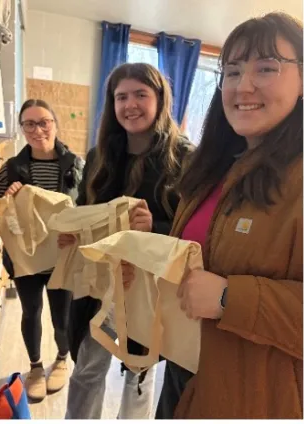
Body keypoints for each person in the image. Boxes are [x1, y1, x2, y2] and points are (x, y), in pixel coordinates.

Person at [155, 12, 303, 419]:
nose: (244, 86)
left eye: (267, 68)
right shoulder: (215, 166)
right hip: (185, 372)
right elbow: (202, 255)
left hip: (254, 395)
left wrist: (228, 297)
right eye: (232, 71)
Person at [60, 62, 194, 419]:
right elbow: (83, 210)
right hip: (99, 286)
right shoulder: (99, 157)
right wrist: (71, 232)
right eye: (121, 97)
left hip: (147, 290)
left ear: (160, 99)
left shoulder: (184, 159)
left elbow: (194, 234)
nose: (130, 104)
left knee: (139, 371)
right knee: (88, 366)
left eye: (140, 94)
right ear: (111, 103)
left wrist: (156, 228)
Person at [0, 99, 84, 401]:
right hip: (26, 259)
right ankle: (35, 367)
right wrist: (8, 198)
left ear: (55, 124)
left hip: (63, 256)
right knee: (31, 311)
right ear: (22, 129)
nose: (37, 130)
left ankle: (61, 359)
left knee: (63, 316)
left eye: (44, 122)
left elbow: (86, 208)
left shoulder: (75, 164)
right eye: (29, 124)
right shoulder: (11, 169)